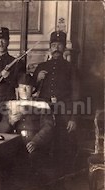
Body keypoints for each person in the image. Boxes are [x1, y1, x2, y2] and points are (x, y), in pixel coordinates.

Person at [32, 30, 78, 176]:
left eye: (59, 45)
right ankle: (42, 175)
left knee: (62, 144)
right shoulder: (41, 66)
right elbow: (31, 90)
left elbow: (77, 94)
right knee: (42, 140)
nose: (56, 48)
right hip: (44, 110)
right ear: (49, 48)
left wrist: (73, 118)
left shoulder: (71, 68)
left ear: (64, 48)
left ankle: (60, 177)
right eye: (53, 45)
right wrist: (37, 79)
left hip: (64, 110)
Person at [0, 74, 54, 174]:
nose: (23, 90)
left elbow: (48, 126)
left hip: (34, 144)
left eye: (27, 87)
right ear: (17, 89)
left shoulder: (42, 104)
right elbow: (1, 130)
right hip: (16, 144)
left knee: (34, 165)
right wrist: (10, 121)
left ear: (32, 89)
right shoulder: (11, 104)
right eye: (21, 87)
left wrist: (35, 141)